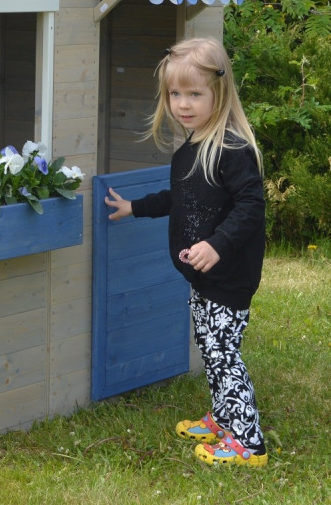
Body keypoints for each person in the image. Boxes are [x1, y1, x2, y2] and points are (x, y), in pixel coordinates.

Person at [104, 36, 268, 468]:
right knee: (209, 345)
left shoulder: (231, 149)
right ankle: (222, 419)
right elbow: (177, 200)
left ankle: (248, 443)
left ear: (220, 91)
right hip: (201, 277)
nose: (183, 103)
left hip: (229, 275)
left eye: (194, 93)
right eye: (175, 94)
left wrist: (217, 245)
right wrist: (134, 207)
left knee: (222, 353)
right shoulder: (189, 151)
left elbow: (252, 205)